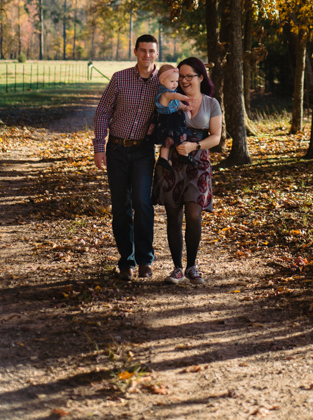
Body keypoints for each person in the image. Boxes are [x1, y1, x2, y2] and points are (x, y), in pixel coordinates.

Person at [93, 35, 184, 282]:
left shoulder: (163, 83)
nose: (146, 55)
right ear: (135, 51)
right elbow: (102, 112)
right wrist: (98, 146)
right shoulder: (120, 78)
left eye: (151, 51)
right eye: (142, 50)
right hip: (116, 150)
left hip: (143, 151)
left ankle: (145, 260)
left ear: (157, 53)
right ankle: (126, 261)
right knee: (121, 207)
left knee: (142, 203)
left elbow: (179, 101)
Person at [152, 57, 222, 286]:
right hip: (173, 162)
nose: (183, 80)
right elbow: (160, 110)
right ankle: (177, 269)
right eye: (180, 76)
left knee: (194, 213)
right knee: (173, 216)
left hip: (198, 162)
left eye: (188, 76)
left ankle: (192, 266)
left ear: (201, 77)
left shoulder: (212, 103)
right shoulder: (172, 100)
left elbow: (216, 136)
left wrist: (195, 146)